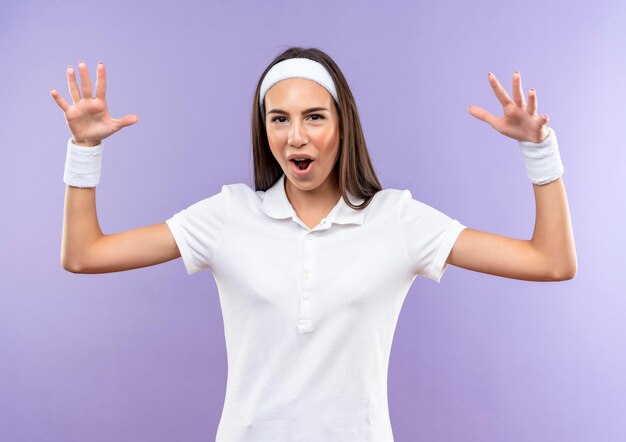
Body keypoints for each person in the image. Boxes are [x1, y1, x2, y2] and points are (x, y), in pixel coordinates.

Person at [51, 47, 577, 441]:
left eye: (314, 117)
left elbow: (551, 262)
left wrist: (539, 153)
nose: (295, 137)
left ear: (342, 124)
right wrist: (84, 150)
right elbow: (84, 255)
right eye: (279, 119)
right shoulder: (228, 215)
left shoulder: (396, 219)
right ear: (265, 130)